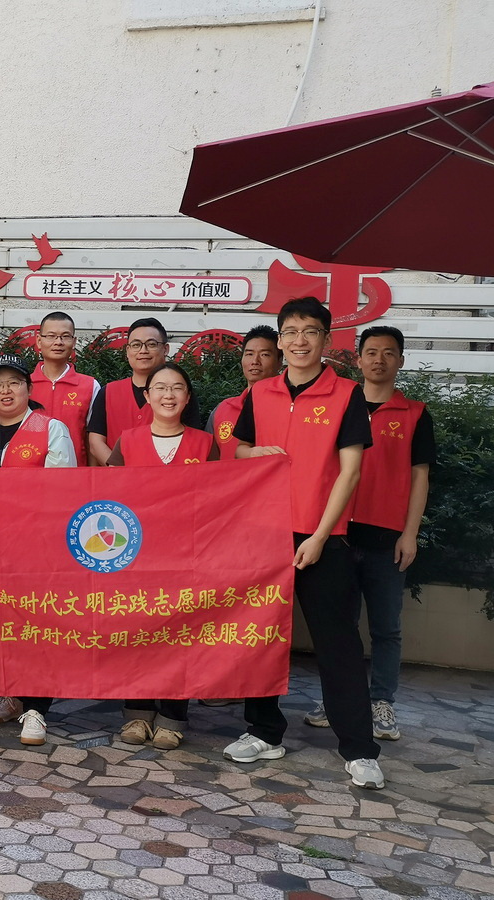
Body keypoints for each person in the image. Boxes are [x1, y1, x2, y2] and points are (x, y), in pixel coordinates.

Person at [225, 297, 384, 790]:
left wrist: (318, 536)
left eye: (310, 331)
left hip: (323, 537)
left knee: (338, 644)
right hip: (264, 534)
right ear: (280, 339)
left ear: (325, 339)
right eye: (290, 332)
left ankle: (359, 749)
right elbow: (240, 450)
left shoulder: (346, 394)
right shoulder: (261, 392)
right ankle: (264, 731)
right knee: (259, 636)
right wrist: (256, 451)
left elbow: (351, 471)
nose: (299, 340)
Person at [305, 326, 433, 742]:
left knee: (385, 627)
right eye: (371, 352)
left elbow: (420, 477)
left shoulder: (415, 413)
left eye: (389, 352)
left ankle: (381, 701)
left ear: (401, 360)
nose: (379, 359)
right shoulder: (340, 404)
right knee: (337, 626)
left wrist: (409, 533)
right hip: (337, 533)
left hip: (385, 539)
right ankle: (340, 700)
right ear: (358, 359)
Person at [108, 363, 217, 750]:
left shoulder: (205, 444)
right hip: (135, 558)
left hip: (187, 558)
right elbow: (110, 499)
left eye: (177, 388)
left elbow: (219, 500)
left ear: (187, 397)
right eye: (160, 388)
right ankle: (137, 713)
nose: (168, 395)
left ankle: (173, 716)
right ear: (147, 395)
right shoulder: (127, 441)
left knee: (180, 636)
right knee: (137, 632)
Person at [0, 355, 76, 746]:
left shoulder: (51, 429)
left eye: (14, 383)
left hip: (38, 546)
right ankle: (12, 695)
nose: (5, 390)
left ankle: (37, 708)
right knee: (3, 621)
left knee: (38, 625)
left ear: (29, 389)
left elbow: (61, 490)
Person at [87, 318, 199, 465]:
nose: (143, 351)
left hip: (169, 475)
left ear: (165, 349)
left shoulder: (178, 394)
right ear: (127, 351)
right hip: (116, 475)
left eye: (151, 344)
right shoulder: (107, 392)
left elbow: (193, 440)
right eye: (136, 345)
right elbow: (95, 441)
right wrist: (118, 470)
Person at [30, 312, 100, 466]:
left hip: (74, 473)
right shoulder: (24, 385)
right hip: (30, 472)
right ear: (39, 341)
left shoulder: (90, 386)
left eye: (65, 336)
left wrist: (91, 475)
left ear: (74, 342)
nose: (58, 342)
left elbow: (93, 440)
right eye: (51, 336)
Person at [211, 326, 282, 461]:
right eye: (249, 354)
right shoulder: (223, 409)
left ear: (279, 362)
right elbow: (210, 461)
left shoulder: (288, 408)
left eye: (264, 354)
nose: (255, 361)